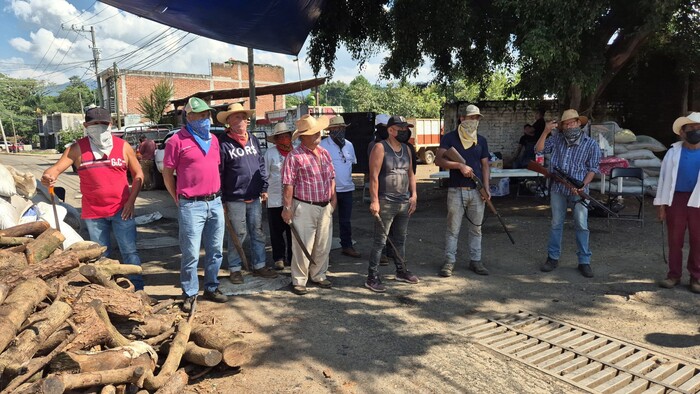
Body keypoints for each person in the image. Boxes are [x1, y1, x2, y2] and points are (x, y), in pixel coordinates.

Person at [41, 107, 145, 290]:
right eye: (94, 124)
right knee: (100, 255)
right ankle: (107, 289)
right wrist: (48, 176)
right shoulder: (77, 149)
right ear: (86, 126)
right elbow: (55, 170)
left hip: (122, 210)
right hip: (94, 213)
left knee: (129, 251)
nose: (99, 127)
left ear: (110, 125)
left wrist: (131, 202)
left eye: (103, 124)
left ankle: (137, 288)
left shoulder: (123, 147)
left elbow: (138, 175)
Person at [163, 97, 228, 311]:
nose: (205, 119)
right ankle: (190, 292)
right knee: (191, 252)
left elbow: (215, 168)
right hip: (191, 205)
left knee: (216, 250)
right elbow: (167, 173)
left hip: (215, 201)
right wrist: (177, 197)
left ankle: (211, 286)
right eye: (200, 115)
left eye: (206, 115)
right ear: (188, 117)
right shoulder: (176, 141)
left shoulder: (214, 140)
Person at [535, 109, 601, 278]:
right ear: (562, 126)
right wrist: (545, 131)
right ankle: (552, 258)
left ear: (579, 123)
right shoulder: (556, 139)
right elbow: (538, 151)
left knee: (581, 224)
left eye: (573, 122)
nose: (570, 125)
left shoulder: (590, 143)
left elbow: (593, 169)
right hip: (558, 188)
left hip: (579, 189)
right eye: (567, 123)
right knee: (556, 223)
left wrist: (582, 185)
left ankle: (584, 261)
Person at [217, 103, 278, 283]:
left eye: (243, 117)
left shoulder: (253, 139)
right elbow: (219, 171)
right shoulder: (223, 143)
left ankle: (259, 265)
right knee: (238, 233)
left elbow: (260, 164)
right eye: (236, 117)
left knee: (257, 232)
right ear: (228, 121)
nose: (241, 120)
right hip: (234, 197)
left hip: (255, 195)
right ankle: (235, 268)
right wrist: (221, 198)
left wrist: (264, 187)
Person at [281, 115, 336, 295]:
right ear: (303, 136)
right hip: (304, 205)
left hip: (325, 205)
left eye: (317, 131)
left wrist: (333, 201)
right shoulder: (294, 156)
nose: (317, 135)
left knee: (323, 244)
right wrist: (287, 208)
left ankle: (319, 274)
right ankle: (299, 280)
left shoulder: (325, 153)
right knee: (302, 244)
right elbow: (288, 184)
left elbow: (331, 178)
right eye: (313, 133)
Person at [435, 104, 491, 278]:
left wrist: (486, 188)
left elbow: (485, 165)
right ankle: (449, 262)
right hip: (456, 190)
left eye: (476, 118)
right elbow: (439, 160)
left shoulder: (481, 140)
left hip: (476, 190)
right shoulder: (450, 138)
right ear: (462, 118)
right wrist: (459, 165)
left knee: (476, 228)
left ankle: (476, 260)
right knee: (453, 229)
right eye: (471, 117)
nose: (474, 121)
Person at [365, 115, 419, 293]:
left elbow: (411, 173)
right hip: (386, 200)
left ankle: (401, 271)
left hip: (404, 201)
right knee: (380, 241)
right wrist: (374, 200)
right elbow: (373, 176)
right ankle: (372, 276)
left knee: (400, 240)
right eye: (400, 128)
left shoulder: (407, 149)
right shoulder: (380, 148)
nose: (404, 131)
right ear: (390, 130)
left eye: (405, 128)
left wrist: (414, 195)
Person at [654, 112, 700, 293]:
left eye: (698, 129)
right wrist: (661, 206)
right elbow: (663, 180)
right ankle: (673, 275)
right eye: (691, 129)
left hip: (698, 201)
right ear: (682, 132)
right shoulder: (673, 152)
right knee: (675, 240)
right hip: (676, 200)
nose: (695, 132)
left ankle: (696, 278)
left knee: (698, 240)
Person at [320, 115, 361, 258]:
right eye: (337, 128)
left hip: (347, 188)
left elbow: (351, 165)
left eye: (342, 128)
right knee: (325, 221)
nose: (340, 130)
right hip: (329, 190)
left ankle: (347, 246)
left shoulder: (349, 145)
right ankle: (323, 250)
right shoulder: (323, 146)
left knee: (345, 220)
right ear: (330, 130)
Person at [264, 122, 294, 270]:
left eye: (286, 137)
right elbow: (265, 175)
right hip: (275, 197)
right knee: (276, 230)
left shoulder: (296, 152)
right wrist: (264, 192)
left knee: (292, 230)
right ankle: (279, 258)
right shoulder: (270, 153)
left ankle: (293, 257)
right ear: (276, 140)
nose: (284, 140)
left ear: (291, 138)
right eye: (280, 137)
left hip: (294, 198)